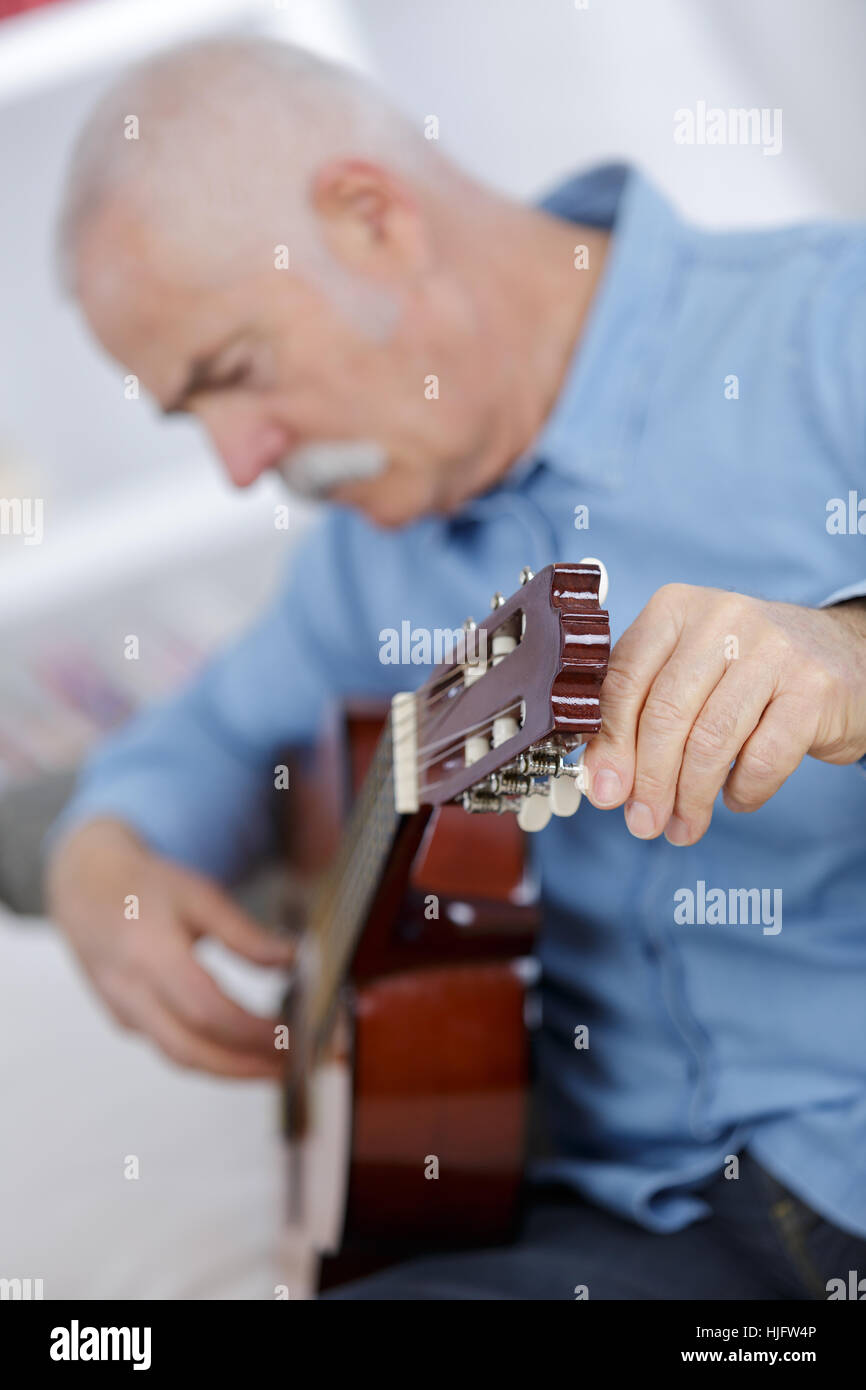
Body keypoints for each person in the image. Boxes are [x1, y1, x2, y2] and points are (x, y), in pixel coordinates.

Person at [46, 38, 866, 1300]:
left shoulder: (829, 328)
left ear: (370, 218)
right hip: (627, 1237)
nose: (236, 461)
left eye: (232, 374)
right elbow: (194, 741)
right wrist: (104, 862)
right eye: (187, 416)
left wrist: (844, 653)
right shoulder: (356, 569)